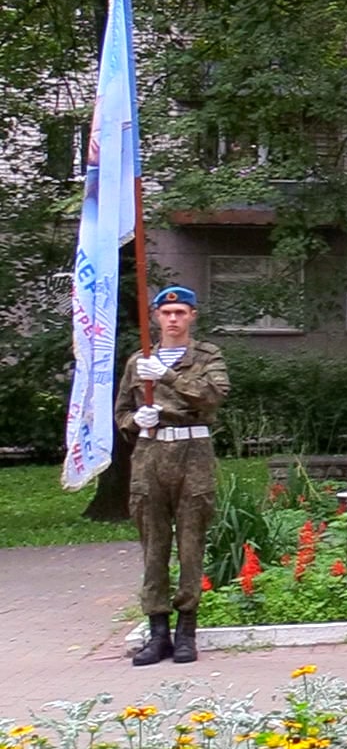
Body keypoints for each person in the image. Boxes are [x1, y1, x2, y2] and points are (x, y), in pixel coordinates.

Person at [115, 286, 229, 667]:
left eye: (181, 312)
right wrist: (136, 420)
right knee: (153, 542)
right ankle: (157, 631)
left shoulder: (207, 356)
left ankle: (187, 632)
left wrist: (167, 376)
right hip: (150, 453)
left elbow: (213, 395)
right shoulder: (137, 362)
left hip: (193, 452)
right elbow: (122, 415)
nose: (174, 319)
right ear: (156, 318)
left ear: (193, 315)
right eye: (167, 313)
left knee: (191, 541)